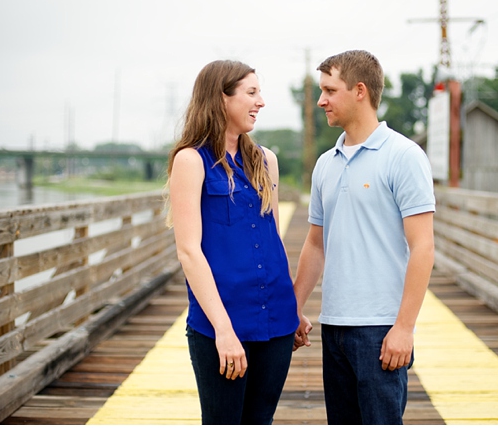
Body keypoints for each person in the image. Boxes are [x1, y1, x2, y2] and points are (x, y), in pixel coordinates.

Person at [291, 50, 436, 425]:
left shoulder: (403, 156)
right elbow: (315, 243)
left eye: (329, 90)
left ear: (359, 91)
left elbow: (424, 247)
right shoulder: (326, 163)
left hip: (380, 328)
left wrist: (403, 328)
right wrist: (294, 306)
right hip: (334, 323)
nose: (321, 100)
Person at [166, 59, 299, 425]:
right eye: (251, 93)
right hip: (221, 324)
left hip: (277, 319)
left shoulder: (264, 159)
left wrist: (294, 306)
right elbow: (189, 251)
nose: (261, 102)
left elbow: (271, 236)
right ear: (221, 99)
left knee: (260, 424)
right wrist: (224, 331)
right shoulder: (191, 161)